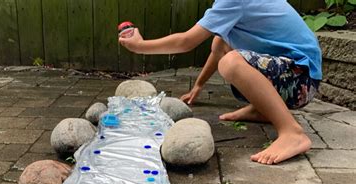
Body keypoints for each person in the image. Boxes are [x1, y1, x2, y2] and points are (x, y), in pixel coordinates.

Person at [119, 0, 322, 165]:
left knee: (231, 63)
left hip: (301, 81)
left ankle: (291, 132)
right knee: (221, 41)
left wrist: (140, 46)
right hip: (296, 76)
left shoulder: (234, 1)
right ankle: (262, 110)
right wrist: (198, 86)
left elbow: (186, 42)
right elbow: (219, 47)